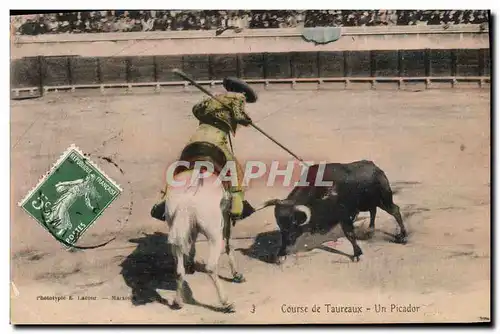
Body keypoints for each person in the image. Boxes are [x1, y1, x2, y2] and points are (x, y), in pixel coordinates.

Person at [151, 77, 258, 222]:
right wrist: (247, 121)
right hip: (215, 141)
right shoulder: (239, 97)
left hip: (194, 141)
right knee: (235, 168)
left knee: (179, 167)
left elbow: (196, 110)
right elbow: (239, 116)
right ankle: (238, 206)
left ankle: (164, 199)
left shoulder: (212, 97)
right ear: (243, 92)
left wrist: (214, 109)